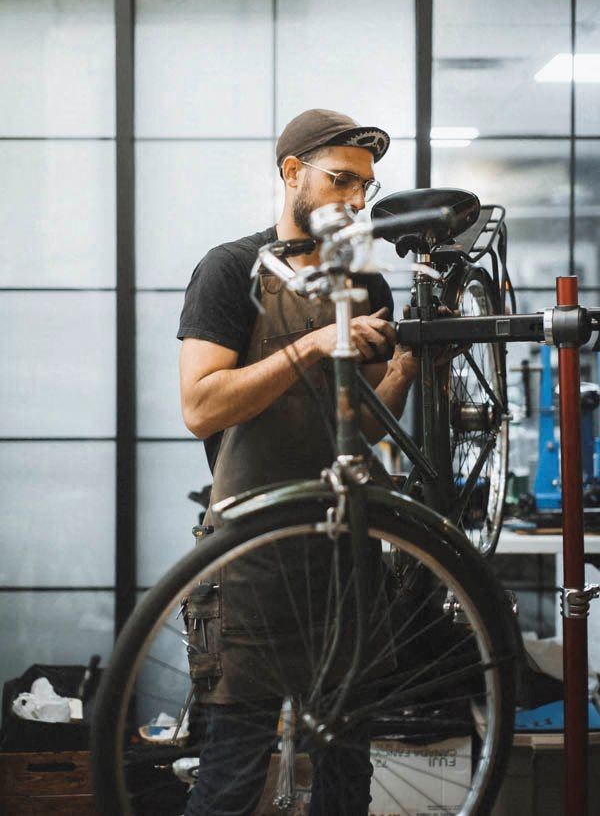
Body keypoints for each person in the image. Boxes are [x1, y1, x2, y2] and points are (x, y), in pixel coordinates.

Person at [177, 108, 418, 815]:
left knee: (346, 786)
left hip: (342, 562)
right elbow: (201, 404)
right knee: (229, 779)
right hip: (250, 567)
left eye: (364, 187)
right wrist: (311, 346)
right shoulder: (231, 270)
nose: (353, 200)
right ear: (291, 173)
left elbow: (359, 423)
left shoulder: (363, 286)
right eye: (341, 179)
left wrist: (408, 367)